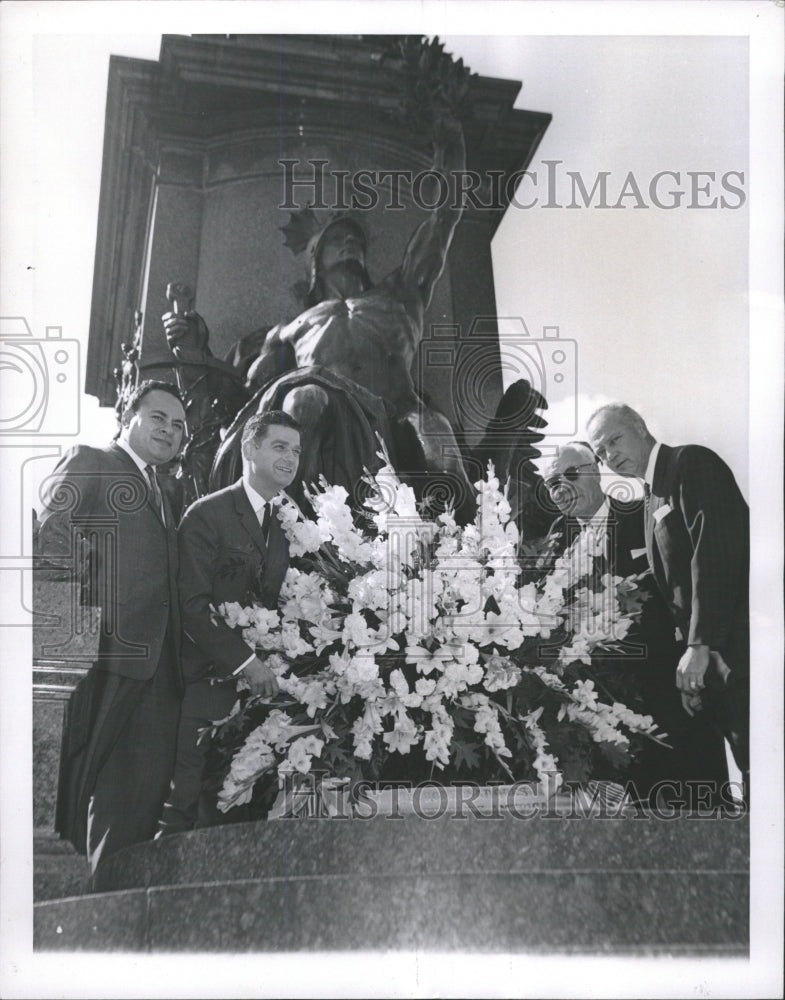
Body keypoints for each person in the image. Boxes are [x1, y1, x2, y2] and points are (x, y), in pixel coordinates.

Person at [173, 114, 474, 519]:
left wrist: (452, 152)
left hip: (397, 410)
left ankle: (466, 551)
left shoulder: (400, 295)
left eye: (356, 239)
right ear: (315, 258)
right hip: (332, 413)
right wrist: (195, 351)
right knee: (302, 399)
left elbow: (444, 219)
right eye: (337, 238)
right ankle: (280, 529)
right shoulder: (290, 330)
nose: (350, 242)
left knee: (436, 437)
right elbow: (242, 398)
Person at [36, 381, 186, 869]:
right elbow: (52, 537)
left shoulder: (162, 489)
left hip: (157, 669)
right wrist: (72, 638)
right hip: (103, 658)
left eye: (180, 425)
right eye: (159, 417)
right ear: (128, 415)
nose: (170, 430)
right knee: (73, 795)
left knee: (136, 802)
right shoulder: (91, 459)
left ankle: (111, 909)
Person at [541, 442, 730, 804]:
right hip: (604, 710)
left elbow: (688, 586)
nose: (561, 487)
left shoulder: (644, 514)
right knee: (633, 830)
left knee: (697, 810)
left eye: (571, 474)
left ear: (596, 468)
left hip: (668, 694)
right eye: (552, 483)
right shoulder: (552, 544)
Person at [587, 403, 749, 801]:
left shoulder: (690, 463)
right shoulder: (649, 497)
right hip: (715, 666)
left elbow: (714, 555)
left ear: (640, 428)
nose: (609, 455)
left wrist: (699, 645)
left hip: (743, 653)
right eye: (600, 452)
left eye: (614, 440)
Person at [156, 411, 300, 833]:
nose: (291, 458)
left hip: (257, 697)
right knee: (183, 803)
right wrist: (245, 662)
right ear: (249, 449)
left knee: (237, 809)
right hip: (202, 685)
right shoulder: (208, 514)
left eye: (295, 450)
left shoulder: (284, 522)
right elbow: (191, 604)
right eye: (279, 446)